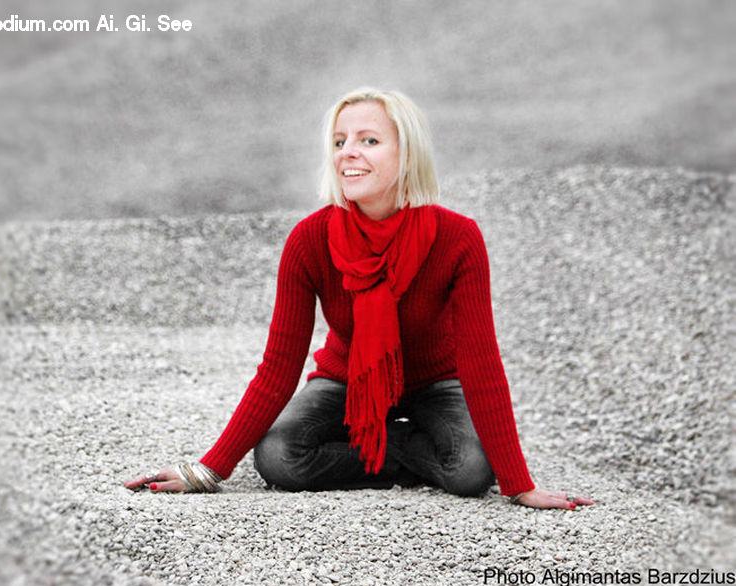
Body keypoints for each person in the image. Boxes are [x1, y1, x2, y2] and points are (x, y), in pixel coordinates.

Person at [125, 88, 593, 509]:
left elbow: (481, 359)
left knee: (472, 471)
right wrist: (210, 469)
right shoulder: (309, 240)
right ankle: (401, 448)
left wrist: (518, 482)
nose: (348, 152)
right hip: (346, 377)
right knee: (278, 457)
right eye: (339, 141)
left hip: (436, 380)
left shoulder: (458, 238)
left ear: (407, 153)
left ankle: (389, 444)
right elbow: (279, 364)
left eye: (368, 140)